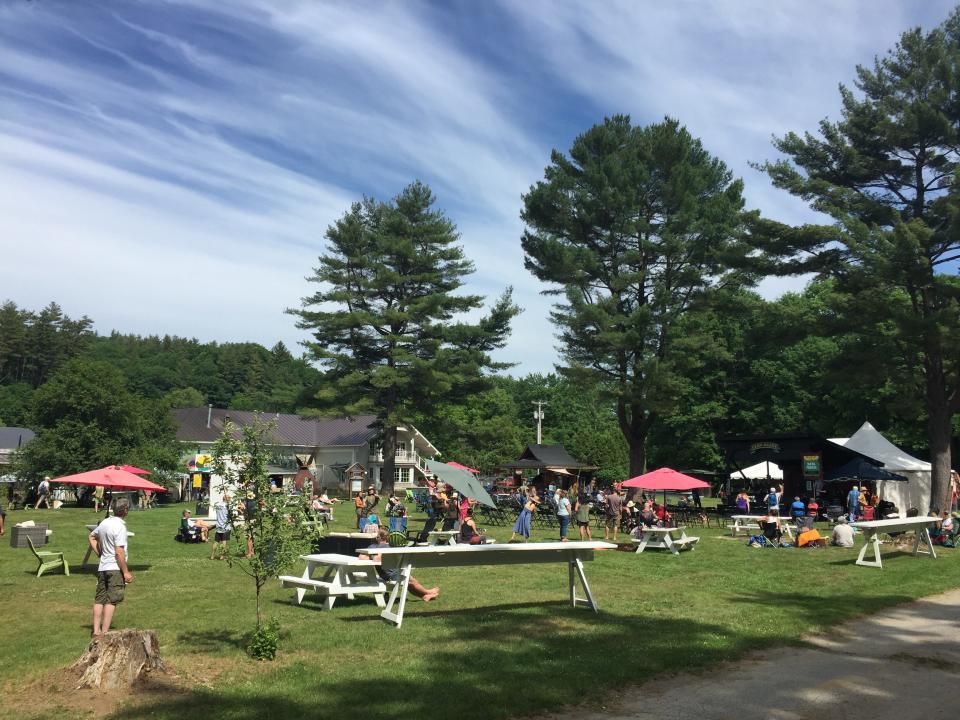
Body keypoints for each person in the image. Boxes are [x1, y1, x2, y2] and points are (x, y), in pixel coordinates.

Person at [89, 498, 133, 636]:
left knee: (99, 599)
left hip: (103, 567)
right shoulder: (120, 526)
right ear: (125, 509)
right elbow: (119, 551)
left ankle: (96, 631)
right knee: (112, 600)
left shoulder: (105, 522)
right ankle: (105, 632)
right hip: (114, 568)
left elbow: (91, 537)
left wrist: (100, 554)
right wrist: (125, 572)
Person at [361, 528, 439, 601]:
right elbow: (377, 558)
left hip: (385, 575)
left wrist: (371, 556)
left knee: (409, 582)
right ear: (387, 538)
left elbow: (361, 557)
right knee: (410, 580)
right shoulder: (390, 547)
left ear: (378, 537)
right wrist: (375, 557)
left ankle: (424, 596)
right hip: (391, 575)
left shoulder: (373, 547)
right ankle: (428, 592)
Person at [210, 493, 232, 560]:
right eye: (229, 499)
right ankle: (222, 556)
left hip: (218, 525)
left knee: (216, 541)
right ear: (227, 499)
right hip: (226, 526)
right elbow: (230, 515)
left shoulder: (218, 505)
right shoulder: (227, 506)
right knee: (224, 541)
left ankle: (212, 555)